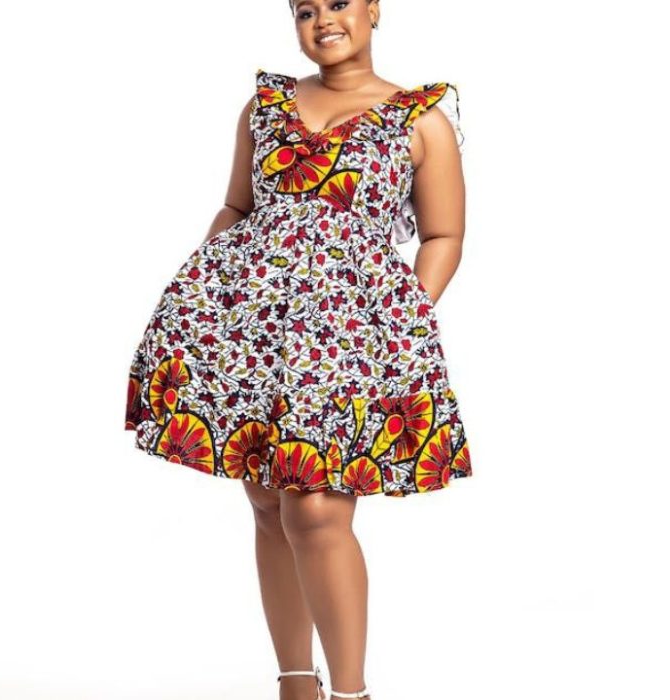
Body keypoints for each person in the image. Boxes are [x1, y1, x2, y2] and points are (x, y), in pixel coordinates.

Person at [124, 0, 473, 697]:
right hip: (250, 333)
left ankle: (350, 691)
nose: (323, 20)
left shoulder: (419, 119)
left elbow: (444, 236)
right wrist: (204, 294)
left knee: (314, 508)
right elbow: (238, 208)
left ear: (374, 9)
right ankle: (294, 683)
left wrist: (399, 319)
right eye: (305, 9)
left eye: (339, 2)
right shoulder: (265, 108)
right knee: (266, 503)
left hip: (349, 339)